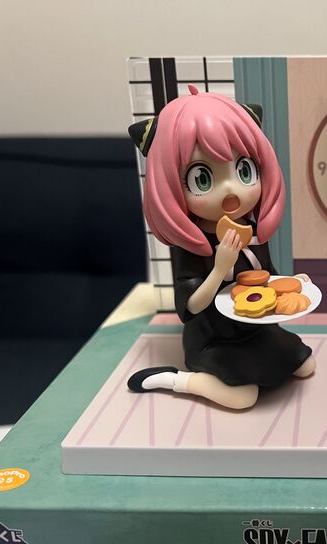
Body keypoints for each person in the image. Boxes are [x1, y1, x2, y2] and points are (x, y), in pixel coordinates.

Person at [126, 86, 315, 409]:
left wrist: (294, 283)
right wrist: (219, 268)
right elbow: (190, 307)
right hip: (213, 337)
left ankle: (258, 360)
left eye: (244, 171)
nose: (231, 191)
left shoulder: (251, 229)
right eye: (202, 179)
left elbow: (266, 277)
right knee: (243, 397)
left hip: (255, 329)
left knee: (305, 365)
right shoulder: (191, 242)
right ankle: (177, 380)